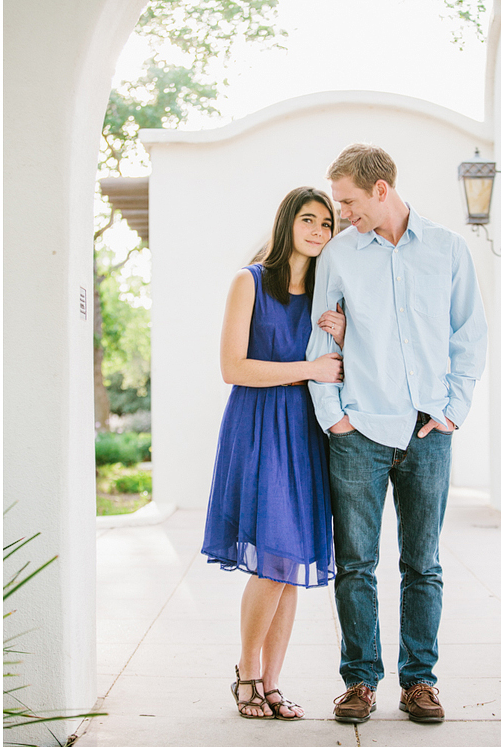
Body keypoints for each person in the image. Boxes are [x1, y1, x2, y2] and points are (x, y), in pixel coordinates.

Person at [306, 143, 488, 724]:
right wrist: (334, 416)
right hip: (359, 430)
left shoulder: (447, 249)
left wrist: (453, 411)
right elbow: (322, 339)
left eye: (350, 201)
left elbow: (470, 335)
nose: (343, 213)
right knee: (355, 564)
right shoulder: (339, 254)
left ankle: (419, 683)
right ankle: (360, 681)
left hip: (428, 430)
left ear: (381, 190)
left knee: (423, 564)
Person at [201, 186, 345, 720]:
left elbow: (342, 366)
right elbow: (233, 368)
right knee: (272, 560)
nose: (317, 231)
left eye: (327, 224)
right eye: (308, 219)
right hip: (259, 427)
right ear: (287, 223)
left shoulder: (326, 296)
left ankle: (274, 682)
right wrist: (308, 369)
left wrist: (345, 336)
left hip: (305, 431)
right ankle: (247, 673)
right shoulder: (250, 281)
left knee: (291, 562)